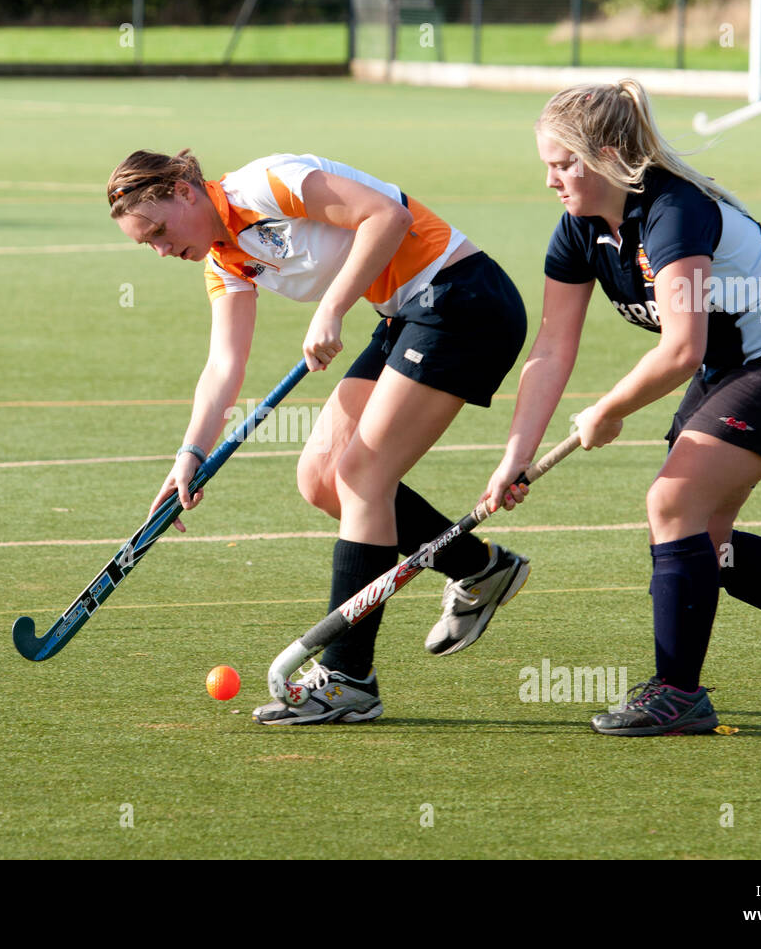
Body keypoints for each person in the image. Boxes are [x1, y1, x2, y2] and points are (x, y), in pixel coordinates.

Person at [483, 80, 761, 736]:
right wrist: (515, 453)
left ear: (609, 155)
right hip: (733, 363)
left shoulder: (673, 211)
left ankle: (678, 694)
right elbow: (552, 348)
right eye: (547, 165)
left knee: (672, 503)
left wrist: (609, 409)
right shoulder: (579, 233)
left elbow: (681, 347)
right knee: (705, 541)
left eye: (563, 164)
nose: (551, 180)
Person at [106, 150, 528, 724]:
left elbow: (387, 217)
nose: (160, 249)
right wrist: (190, 454)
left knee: (361, 478)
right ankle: (479, 567)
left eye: (158, 230)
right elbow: (223, 366)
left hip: (461, 299)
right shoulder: (224, 261)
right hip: (406, 313)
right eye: (145, 243)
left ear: (184, 189)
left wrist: (331, 309)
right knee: (322, 478)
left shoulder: (267, 183)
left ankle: (349, 677)